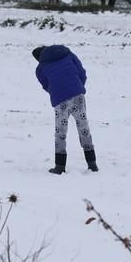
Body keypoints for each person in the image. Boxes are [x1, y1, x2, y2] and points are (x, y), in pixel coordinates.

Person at [33, 45, 98, 174]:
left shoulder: (40, 68)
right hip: (77, 95)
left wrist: (58, 92)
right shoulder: (67, 54)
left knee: (60, 134)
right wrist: (77, 87)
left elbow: (46, 85)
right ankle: (92, 164)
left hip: (60, 99)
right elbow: (82, 73)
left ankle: (59, 166)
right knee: (84, 129)